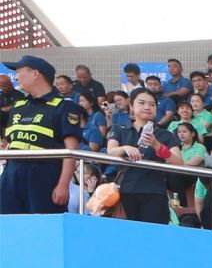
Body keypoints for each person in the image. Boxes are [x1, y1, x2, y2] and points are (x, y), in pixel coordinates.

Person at [1, 55, 82, 214]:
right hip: (12, 175)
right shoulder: (18, 106)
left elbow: (71, 150)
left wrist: (63, 184)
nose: (16, 77)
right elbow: (9, 143)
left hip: (44, 175)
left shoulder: (64, 106)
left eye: (19, 72)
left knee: (43, 224)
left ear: (35, 74)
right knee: (8, 223)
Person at [101, 88, 181, 224]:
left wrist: (157, 146)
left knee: (153, 234)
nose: (147, 107)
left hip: (155, 192)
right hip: (126, 191)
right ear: (131, 106)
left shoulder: (165, 134)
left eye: (152, 104)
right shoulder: (120, 129)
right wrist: (125, 148)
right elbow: (111, 151)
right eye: (142, 103)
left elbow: (178, 162)